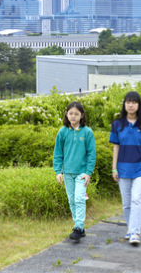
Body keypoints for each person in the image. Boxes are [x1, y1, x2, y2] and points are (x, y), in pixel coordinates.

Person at [110, 91, 141, 246]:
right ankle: (130, 230)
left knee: (137, 199)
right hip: (123, 168)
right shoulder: (117, 124)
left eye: (134, 102)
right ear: (124, 104)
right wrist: (114, 168)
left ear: (138, 105)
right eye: (128, 102)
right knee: (127, 203)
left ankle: (135, 232)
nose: (131, 105)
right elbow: (116, 147)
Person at [53, 101, 96, 242]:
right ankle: (79, 227)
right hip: (68, 173)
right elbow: (58, 153)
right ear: (66, 114)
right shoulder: (62, 132)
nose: (73, 116)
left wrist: (88, 172)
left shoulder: (87, 132)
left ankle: (78, 227)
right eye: (70, 113)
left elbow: (91, 154)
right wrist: (58, 171)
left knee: (79, 198)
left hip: (82, 173)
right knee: (72, 200)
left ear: (82, 115)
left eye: (76, 114)